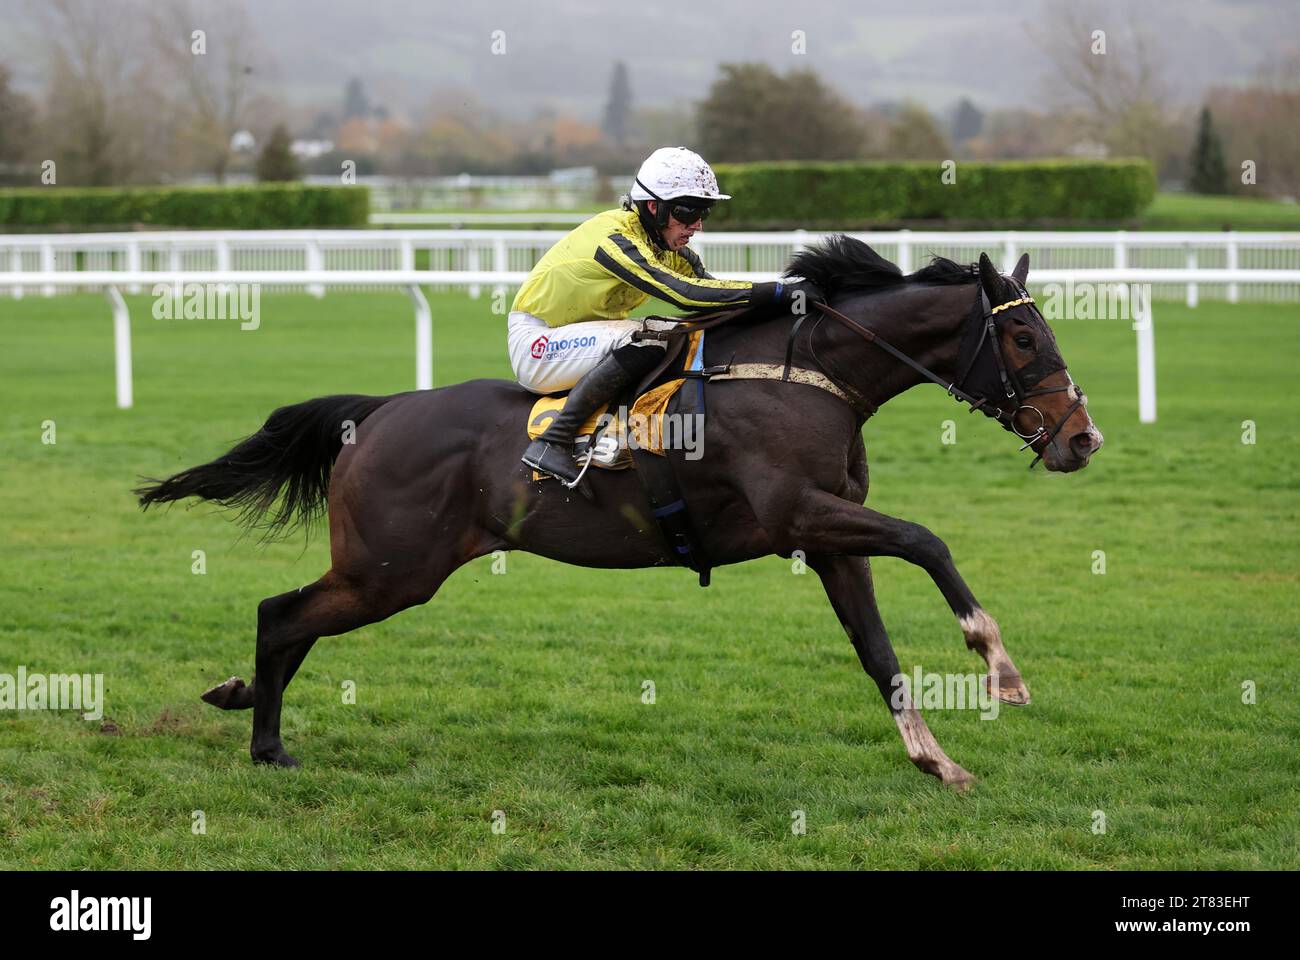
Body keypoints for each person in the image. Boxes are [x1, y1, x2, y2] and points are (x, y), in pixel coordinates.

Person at [511, 146, 819, 486]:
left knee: (673, 334)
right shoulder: (615, 239)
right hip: (540, 344)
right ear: (654, 207)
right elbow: (684, 293)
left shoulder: (669, 248)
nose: (697, 225)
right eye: (688, 213)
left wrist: (789, 305)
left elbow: (715, 297)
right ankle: (553, 440)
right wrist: (776, 290)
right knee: (651, 336)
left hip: (583, 338)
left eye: (704, 212)